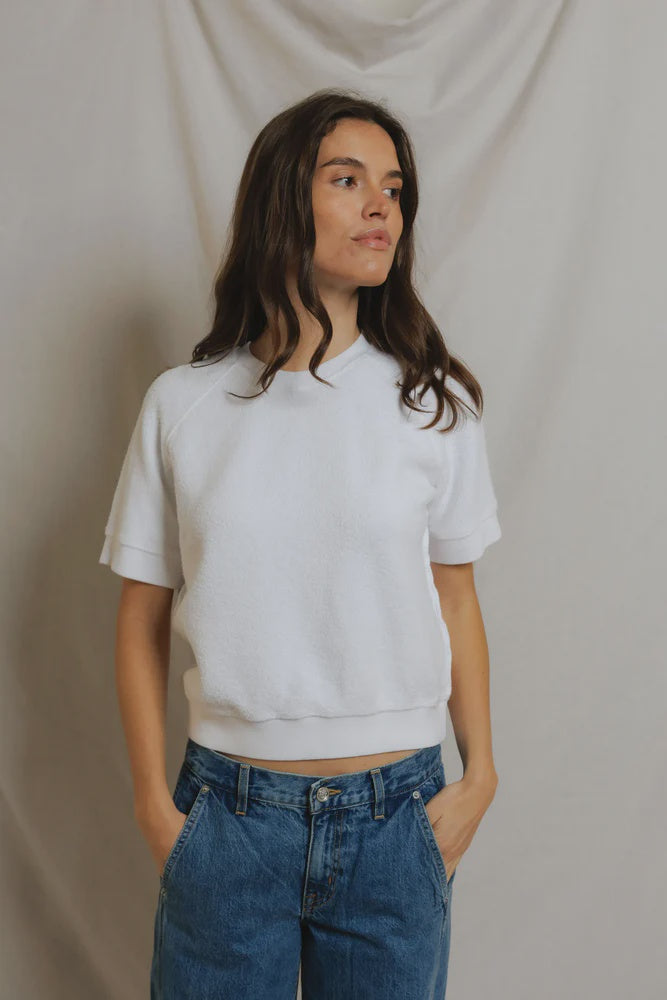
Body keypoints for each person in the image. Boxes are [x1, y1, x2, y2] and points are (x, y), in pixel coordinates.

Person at [99, 88, 502, 999]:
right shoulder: (184, 406)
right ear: (284, 200)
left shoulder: (432, 405)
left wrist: (478, 779)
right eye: (347, 179)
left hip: (400, 815)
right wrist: (156, 810)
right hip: (227, 818)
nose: (380, 208)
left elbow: (456, 599)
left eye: (393, 188)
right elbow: (139, 623)